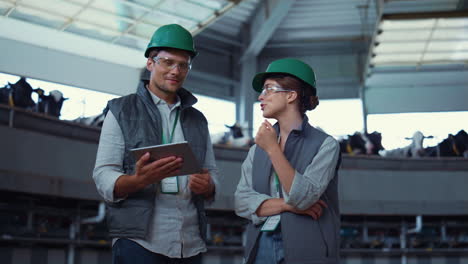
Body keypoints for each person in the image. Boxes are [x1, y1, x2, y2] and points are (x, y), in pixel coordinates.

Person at [93, 24, 219, 264]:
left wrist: (209, 186)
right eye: (167, 62)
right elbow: (103, 174)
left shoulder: (198, 120)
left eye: (183, 65)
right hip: (139, 242)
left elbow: (211, 172)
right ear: (150, 63)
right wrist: (137, 181)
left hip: (190, 243)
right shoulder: (121, 110)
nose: (175, 70)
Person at [234, 58, 341, 264]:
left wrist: (273, 149)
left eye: (268, 89)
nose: (260, 96)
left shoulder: (326, 145)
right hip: (261, 244)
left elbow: (304, 198)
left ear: (291, 95)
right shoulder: (257, 149)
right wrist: (287, 205)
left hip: (309, 247)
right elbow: (240, 202)